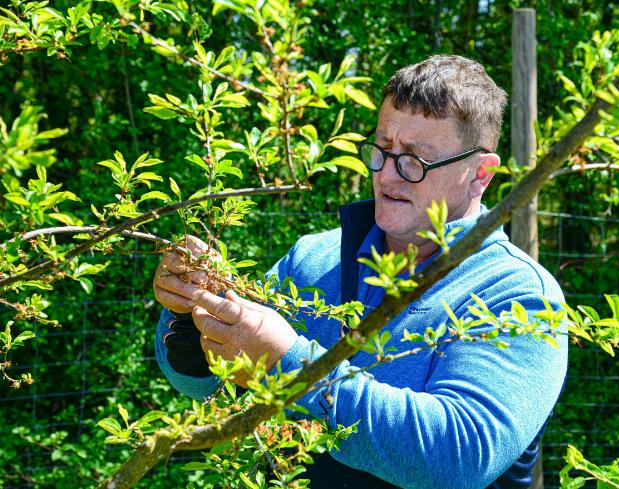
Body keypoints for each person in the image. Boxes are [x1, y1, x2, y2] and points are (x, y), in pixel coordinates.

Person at [153, 54, 567, 489]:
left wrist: (288, 363)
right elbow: (206, 387)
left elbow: (457, 457)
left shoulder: (517, 295)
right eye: (382, 150)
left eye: (414, 161)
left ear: (479, 175)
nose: (388, 175)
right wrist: (190, 311)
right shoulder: (313, 259)